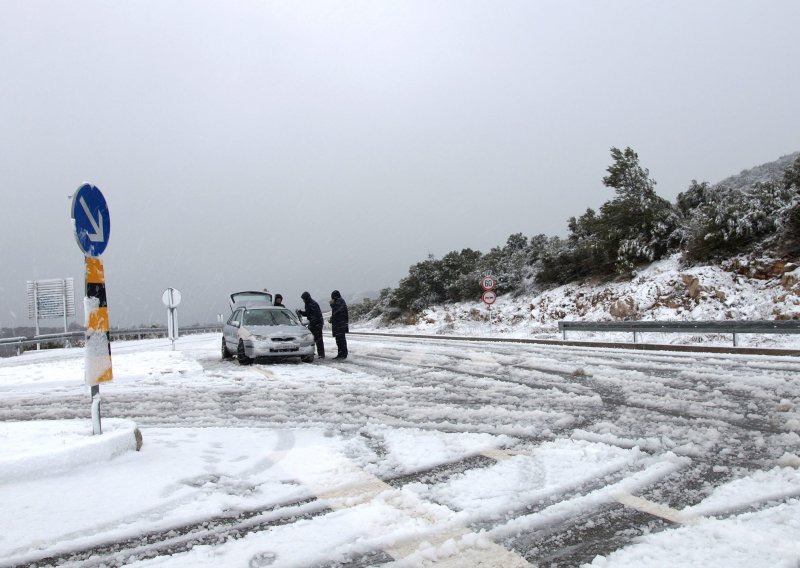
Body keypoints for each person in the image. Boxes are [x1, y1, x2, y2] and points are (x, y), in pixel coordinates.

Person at [297, 291, 324, 358]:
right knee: (311, 339)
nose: (303, 300)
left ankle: (321, 354)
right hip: (313, 324)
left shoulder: (313, 304)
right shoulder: (308, 303)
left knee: (318, 339)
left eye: (303, 299)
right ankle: (312, 351)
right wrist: (301, 312)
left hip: (317, 324)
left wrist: (312, 323)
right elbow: (307, 313)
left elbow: (315, 315)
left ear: (306, 298)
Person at [329, 290, 349, 359]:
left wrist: (332, 304)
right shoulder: (340, 301)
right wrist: (332, 319)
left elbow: (337, 311)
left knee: (340, 340)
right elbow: (336, 313)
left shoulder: (339, 301)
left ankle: (342, 354)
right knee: (340, 340)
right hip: (340, 324)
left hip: (340, 325)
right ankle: (341, 354)